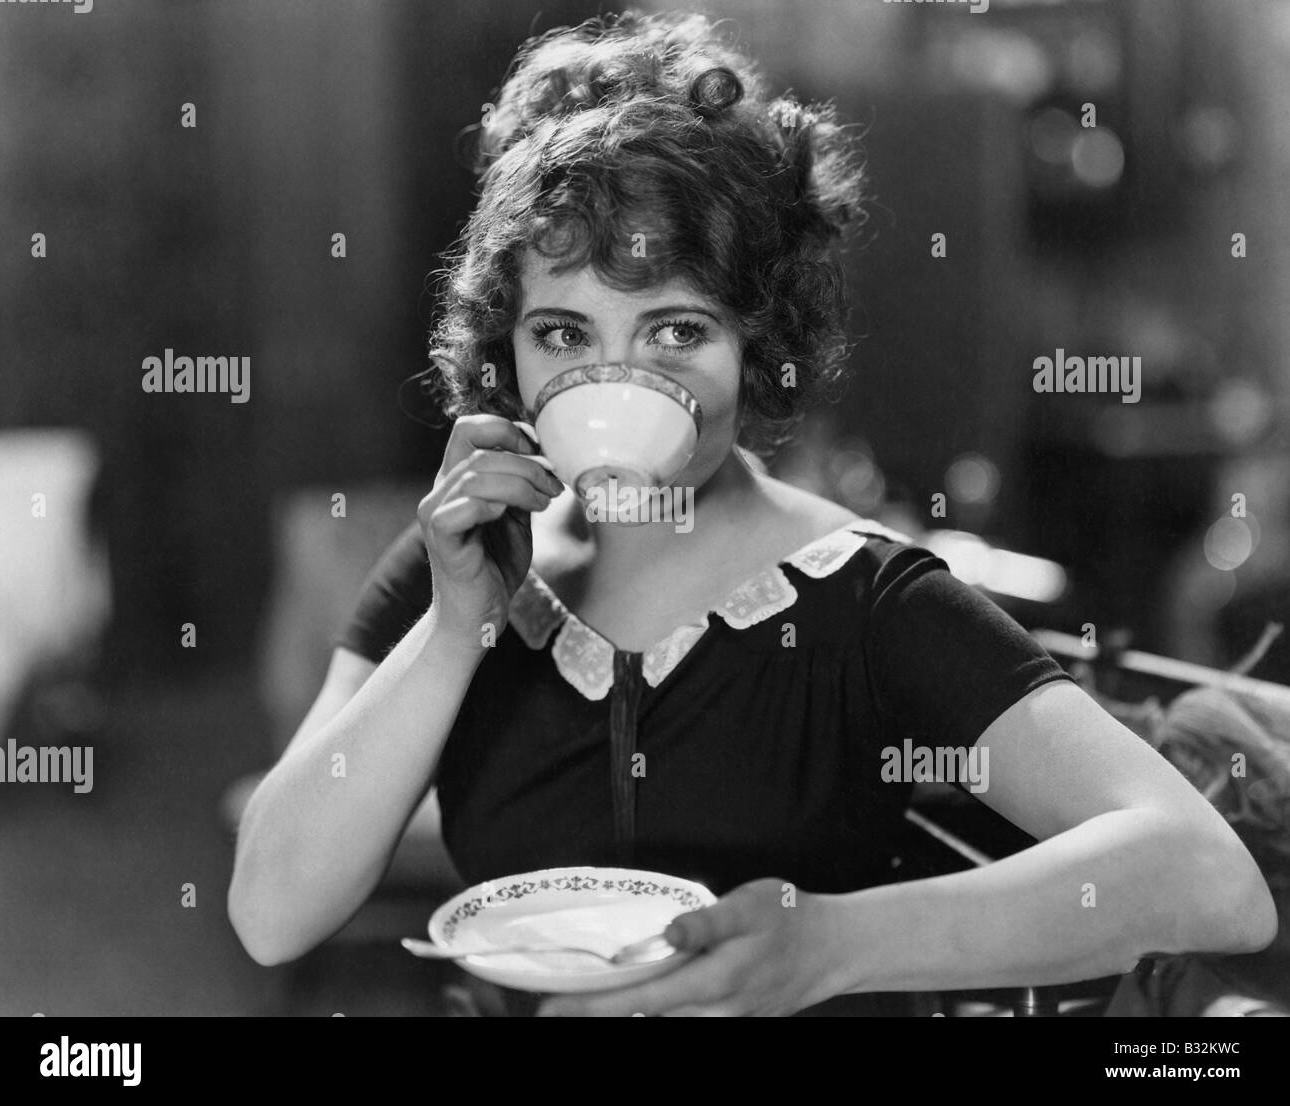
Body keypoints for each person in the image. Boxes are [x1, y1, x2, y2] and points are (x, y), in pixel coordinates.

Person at [228, 11, 1277, 1016]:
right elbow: (271, 911)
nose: (613, 378)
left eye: (675, 330)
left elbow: (1205, 876)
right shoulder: (453, 564)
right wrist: (458, 629)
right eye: (561, 334)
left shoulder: (867, 599)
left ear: (759, 339)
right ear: (507, 354)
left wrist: (830, 944)